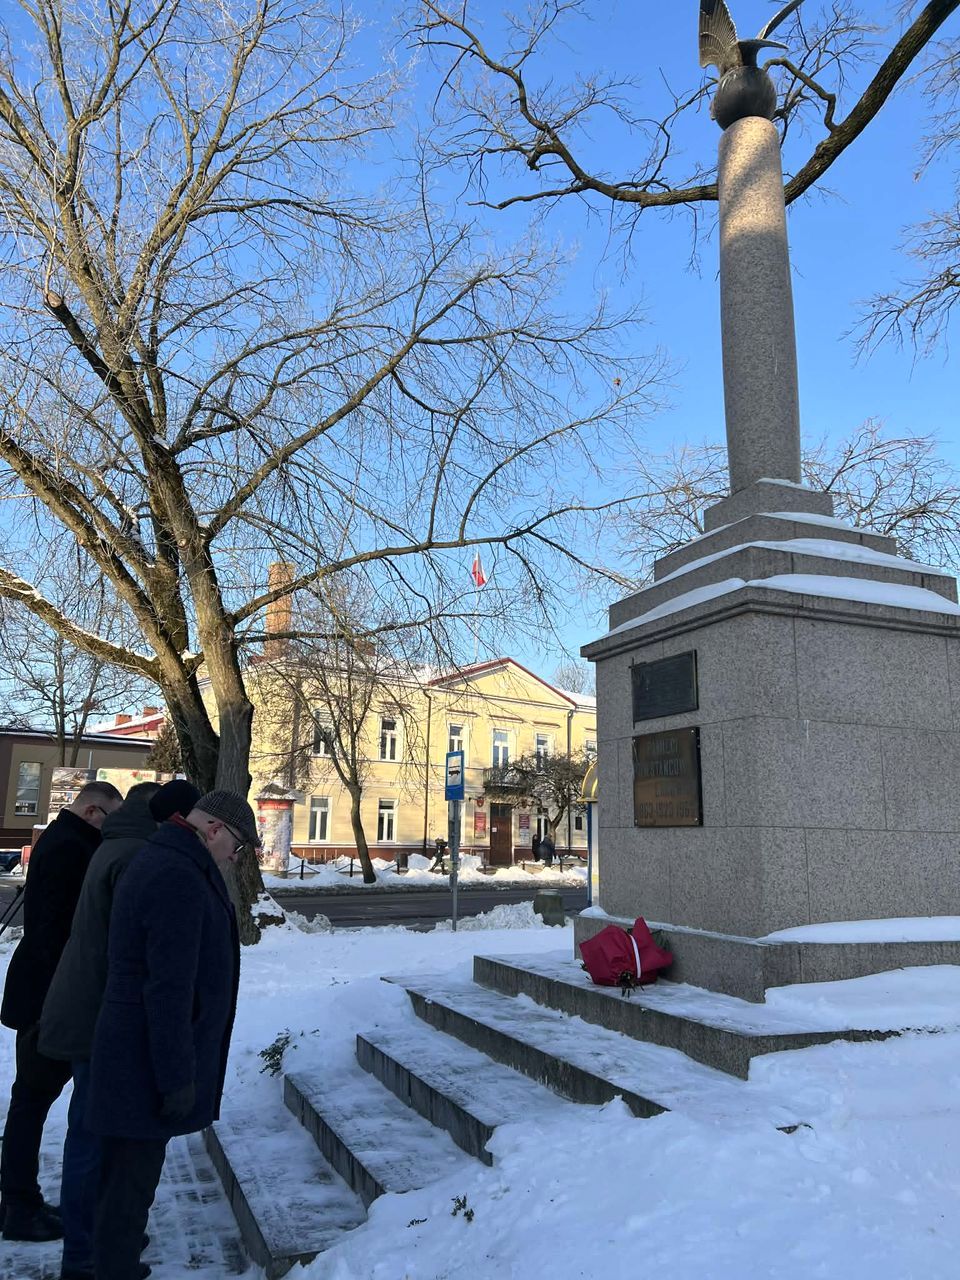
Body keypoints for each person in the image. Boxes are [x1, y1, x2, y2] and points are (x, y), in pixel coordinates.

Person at [86, 790, 258, 1280]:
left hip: (137, 1054)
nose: (235, 858)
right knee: (127, 1188)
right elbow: (168, 988)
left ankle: (114, 1265)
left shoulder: (171, 860)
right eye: (237, 847)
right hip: (142, 1061)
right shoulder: (177, 874)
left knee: (126, 1184)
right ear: (215, 829)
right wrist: (176, 1076)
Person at [38, 779, 201, 1280]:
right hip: (97, 1015)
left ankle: (95, 1242)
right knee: (94, 1138)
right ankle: (86, 1254)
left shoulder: (117, 844)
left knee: (91, 1133)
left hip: (86, 1006)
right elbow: (135, 955)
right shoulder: (136, 856)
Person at [0, 780, 123, 1243]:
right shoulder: (74, 846)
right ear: (92, 811)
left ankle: (19, 1201)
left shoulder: (60, 838)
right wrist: (62, 999)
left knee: (30, 1101)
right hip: (48, 996)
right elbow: (60, 931)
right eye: (110, 818)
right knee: (32, 1101)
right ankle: (19, 1206)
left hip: (40, 990)